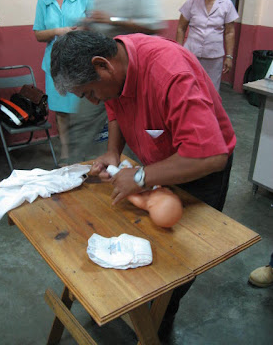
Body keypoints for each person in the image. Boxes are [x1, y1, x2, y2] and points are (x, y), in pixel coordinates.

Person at [50, 30, 236, 335]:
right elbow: (113, 104)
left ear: (102, 66)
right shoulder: (115, 62)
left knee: (177, 264)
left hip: (201, 169)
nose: (94, 102)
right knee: (150, 244)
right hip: (161, 160)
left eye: (89, 94)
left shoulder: (169, 73)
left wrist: (140, 176)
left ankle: (156, 328)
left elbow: (211, 156)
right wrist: (113, 152)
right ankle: (146, 315)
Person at [70, 0, 163, 162]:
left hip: (130, 73)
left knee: (131, 127)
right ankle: (77, 171)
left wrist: (113, 20)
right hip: (99, 69)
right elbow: (99, 22)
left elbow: (153, 25)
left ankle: (133, 174)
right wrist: (87, 26)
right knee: (83, 120)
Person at [33, 0, 94, 165]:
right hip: (55, 65)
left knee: (84, 109)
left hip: (81, 63)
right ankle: (67, 154)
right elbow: (38, 34)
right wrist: (58, 30)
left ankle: (87, 154)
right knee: (61, 112)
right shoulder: (44, 2)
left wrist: (83, 29)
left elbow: (96, 24)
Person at [176, 0, 239, 92]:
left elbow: (230, 32)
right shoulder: (192, 2)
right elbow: (181, 28)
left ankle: (209, 112)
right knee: (189, 88)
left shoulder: (226, 4)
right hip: (191, 54)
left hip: (214, 57)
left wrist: (229, 57)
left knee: (211, 91)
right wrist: (178, 51)